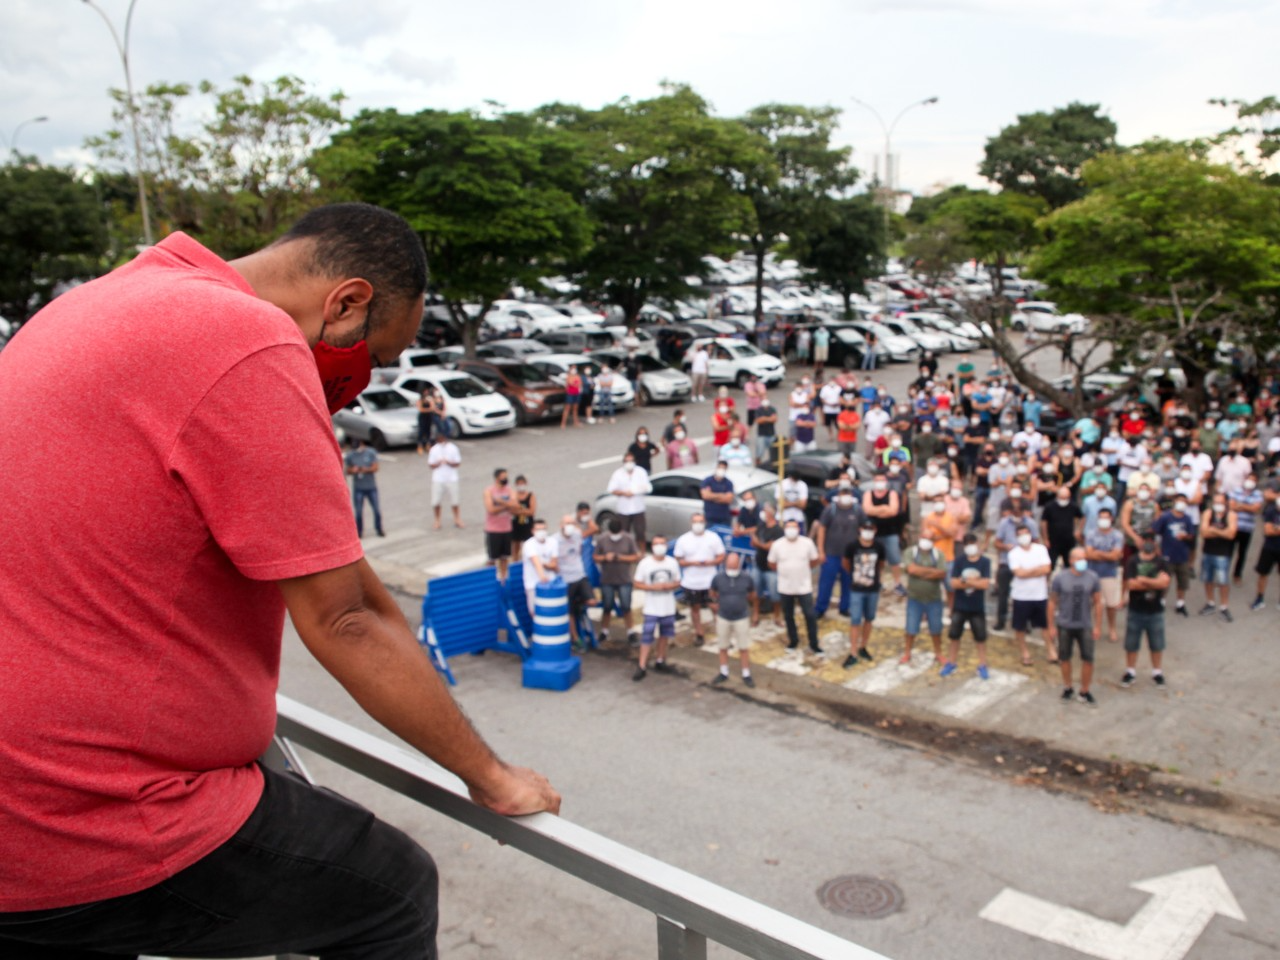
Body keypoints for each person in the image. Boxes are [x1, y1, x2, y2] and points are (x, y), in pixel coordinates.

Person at [0, 203, 558, 959]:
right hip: (81, 816)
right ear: (347, 302)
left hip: (22, 799)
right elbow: (347, 618)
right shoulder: (248, 342)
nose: (360, 383)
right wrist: (490, 775)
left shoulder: (110, 299)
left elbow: (335, 567)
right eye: (372, 356)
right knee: (389, 893)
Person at [1048, 547, 1103, 704]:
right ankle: (1068, 687)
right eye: (1079, 559)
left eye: (1084, 558)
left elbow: (1098, 602)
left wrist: (1098, 626)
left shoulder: (1092, 577)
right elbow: (1052, 602)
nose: (1082, 562)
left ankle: (1085, 690)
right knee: (1064, 658)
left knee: (1088, 658)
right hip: (1065, 625)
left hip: (1085, 624)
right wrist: (1051, 626)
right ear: (1071, 560)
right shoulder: (1060, 578)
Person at [1121, 534, 1172, 688]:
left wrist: (1143, 580)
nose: (1149, 544)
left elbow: (1165, 583)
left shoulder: (1162, 562)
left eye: (1151, 541)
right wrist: (1155, 582)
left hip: (1156, 610)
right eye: (1146, 541)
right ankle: (1130, 671)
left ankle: (1157, 672)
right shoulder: (1133, 561)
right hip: (1136, 609)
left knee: (1157, 644)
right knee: (1131, 643)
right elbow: (1131, 584)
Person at [768, 519, 823, 655]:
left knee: (810, 615)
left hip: (804, 587)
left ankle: (814, 643)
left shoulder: (807, 543)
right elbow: (772, 563)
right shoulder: (777, 545)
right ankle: (793, 641)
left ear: (798, 529)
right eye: (788, 527)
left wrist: (803, 570)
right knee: (788, 616)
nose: (791, 530)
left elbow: (814, 560)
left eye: (794, 527)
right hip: (785, 587)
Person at [632, 536, 682, 680]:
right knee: (647, 636)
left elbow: (678, 582)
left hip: (668, 607)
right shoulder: (645, 563)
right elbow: (637, 583)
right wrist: (651, 587)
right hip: (651, 608)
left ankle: (661, 659)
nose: (659, 546)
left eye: (662, 543)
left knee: (664, 635)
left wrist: (668, 586)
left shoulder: (672, 563)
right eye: (656, 544)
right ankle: (642, 665)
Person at [943, 534, 992, 679]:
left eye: (972, 543)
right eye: (967, 543)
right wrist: (974, 581)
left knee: (980, 637)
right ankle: (951, 662)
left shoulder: (985, 562)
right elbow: (953, 583)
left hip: (977, 607)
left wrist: (965, 581)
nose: (970, 546)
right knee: (954, 636)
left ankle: (982, 664)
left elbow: (985, 584)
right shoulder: (959, 561)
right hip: (960, 605)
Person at [674, 513, 726, 647]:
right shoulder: (683, 540)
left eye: (701, 521)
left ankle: (722, 634)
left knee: (715, 607)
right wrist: (692, 563)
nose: (698, 524)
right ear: (691, 523)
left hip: (710, 581)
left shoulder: (713, 538)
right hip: (691, 582)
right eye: (695, 522)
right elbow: (679, 560)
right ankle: (699, 633)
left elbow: (721, 556)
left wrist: (711, 562)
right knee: (695, 608)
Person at [813, 482, 862, 620]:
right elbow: (821, 529)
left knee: (848, 582)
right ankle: (820, 608)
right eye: (843, 493)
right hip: (831, 553)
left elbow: (863, 528)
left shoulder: (858, 510)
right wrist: (821, 550)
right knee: (826, 582)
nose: (845, 495)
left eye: (848, 493)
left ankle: (845, 607)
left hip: (850, 556)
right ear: (838, 494)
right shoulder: (830, 510)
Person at [1008, 525, 1054, 666]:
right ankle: (1024, 652)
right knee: (1020, 627)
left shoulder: (1040, 549)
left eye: (1026, 533)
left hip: (1039, 595)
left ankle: (1051, 650)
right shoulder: (1014, 553)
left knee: (1044, 625)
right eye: (1020, 534)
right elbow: (1018, 574)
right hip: (1021, 596)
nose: (1024, 536)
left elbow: (1046, 568)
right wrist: (1036, 570)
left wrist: (1027, 571)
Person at [710, 553, 757, 687]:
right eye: (729, 565)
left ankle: (746, 673)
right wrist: (716, 603)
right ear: (725, 564)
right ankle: (723, 671)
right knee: (723, 646)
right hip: (723, 617)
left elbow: (753, 594)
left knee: (743, 647)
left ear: (738, 564)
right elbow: (712, 592)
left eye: (734, 565)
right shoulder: (718, 578)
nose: (732, 568)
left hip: (741, 617)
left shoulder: (747, 578)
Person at [900, 532, 947, 664]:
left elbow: (942, 573)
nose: (926, 541)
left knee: (936, 628)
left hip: (934, 598)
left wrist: (920, 572)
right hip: (914, 598)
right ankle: (907, 652)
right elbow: (911, 570)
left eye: (929, 539)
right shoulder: (911, 552)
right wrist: (931, 571)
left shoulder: (939, 554)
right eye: (924, 538)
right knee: (911, 628)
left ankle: (938, 653)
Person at [841, 520, 884, 666]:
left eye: (870, 528)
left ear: (875, 530)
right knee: (855, 621)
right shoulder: (852, 546)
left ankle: (863, 646)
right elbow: (846, 563)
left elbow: (881, 565)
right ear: (860, 529)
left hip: (873, 589)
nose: (867, 531)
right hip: (857, 589)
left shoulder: (879, 547)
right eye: (865, 528)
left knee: (869, 619)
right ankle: (853, 652)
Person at [595, 518, 642, 642]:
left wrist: (620, 557)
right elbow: (595, 557)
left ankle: (630, 631)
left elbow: (636, 556)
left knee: (626, 607)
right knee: (607, 607)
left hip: (624, 579)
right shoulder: (602, 539)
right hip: (607, 580)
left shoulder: (628, 539)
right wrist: (605, 557)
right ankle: (604, 630)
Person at [1084, 508, 1126, 644]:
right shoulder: (1091, 534)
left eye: (1106, 517)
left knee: (1111, 604)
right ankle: (1095, 627)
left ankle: (1112, 628)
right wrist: (1107, 554)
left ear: (1111, 519)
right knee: (1092, 602)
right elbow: (1088, 554)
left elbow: (1116, 555)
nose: (1103, 520)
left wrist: (1098, 553)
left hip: (1109, 573)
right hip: (1091, 572)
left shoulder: (1117, 535)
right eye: (1101, 517)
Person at [1151, 495, 1196, 616]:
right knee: (1165, 580)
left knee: (1183, 581)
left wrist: (1185, 536)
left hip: (1182, 555)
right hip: (1167, 554)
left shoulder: (1187, 519)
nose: (1181, 503)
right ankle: (1161, 602)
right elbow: (1154, 531)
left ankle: (1180, 603)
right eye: (1179, 501)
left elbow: (1191, 535)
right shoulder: (1166, 517)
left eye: (1184, 502)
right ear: (1174, 502)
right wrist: (1156, 549)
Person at [553, 514, 593, 648]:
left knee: (592, 600)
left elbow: (593, 530)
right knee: (568, 611)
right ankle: (575, 638)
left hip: (580, 575)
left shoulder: (577, 534)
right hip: (566, 579)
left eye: (572, 523)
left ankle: (579, 606)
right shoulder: (554, 541)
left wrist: (585, 519)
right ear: (561, 525)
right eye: (567, 523)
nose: (570, 526)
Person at [862, 470, 905, 595]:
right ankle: (878, 582)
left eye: (882, 481)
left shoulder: (892, 493)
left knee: (895, 559)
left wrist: (876, 510)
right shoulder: (868, 494)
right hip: (874, 533)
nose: (880, 483)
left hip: (890, 532)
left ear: (886, 482)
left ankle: (897, 583)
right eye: (877, 481)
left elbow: (893, 511)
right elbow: (867, 510)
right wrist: (884, 509)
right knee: (876, 559)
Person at [1198, 493, 1238, 621]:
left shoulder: (1231, 515)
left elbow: (1231, 534)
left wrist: (1213, 530)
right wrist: (1222, 532)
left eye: (1220, 502)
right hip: (1208, 551)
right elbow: (1204, 532)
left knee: (1223, 581)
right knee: (1207, 578)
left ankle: (1224, 606)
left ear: (1225, 503)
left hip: (1223, 553)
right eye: (1215, 502)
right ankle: (1210, 602)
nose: (1217, 505)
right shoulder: (1208, 513)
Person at [751, 502, 785, 627]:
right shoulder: (761, 526)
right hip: (758, 565)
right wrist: (760, 543)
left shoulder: (778, 531)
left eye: (765, 510)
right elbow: (754, 539)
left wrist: (759, 543)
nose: (763, 512)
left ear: (771, 512)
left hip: (772, 569)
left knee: (775, 595)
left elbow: (769, 547)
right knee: (756, 593)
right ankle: (755, 614)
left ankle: (777, 616)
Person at [606, 454, 652, 546]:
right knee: (623, 533)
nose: (629, 463)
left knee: (640, 533)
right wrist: (623, 493)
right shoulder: (618, 474)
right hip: (624, 509)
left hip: (638, 508)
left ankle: (641, 554)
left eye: (631, 461)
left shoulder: (640, 472)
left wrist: (634, 492)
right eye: (627, 461)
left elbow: (648, 487)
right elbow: (611, 489)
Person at [344, 436, 385, 538]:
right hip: (358, 487)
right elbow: (347, 470)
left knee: (376, 509)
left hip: (371, 486)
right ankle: (359, 532)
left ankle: (379, 528)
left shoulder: (370, 452)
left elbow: (375, 467)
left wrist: (364, 469)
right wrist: (353, 470)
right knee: (358, 511)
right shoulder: (351, 456)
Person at [483, 467, 516, 581]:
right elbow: (491, 510)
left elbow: (515, 505)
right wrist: (507, 505)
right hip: (493, 529)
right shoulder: (489, 491)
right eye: (503, 477)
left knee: (505, 557)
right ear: (497, 478)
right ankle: (489, 579)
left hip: (506, 528)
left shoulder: (509, 490)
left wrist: (500, 502)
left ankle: (504, 579)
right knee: (492, 558)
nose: (505, 479)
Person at [1040, 485, 1083, 571]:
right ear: (1057, 496)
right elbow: (1044, 522)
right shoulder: (1049, 506)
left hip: (1068, 540)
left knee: (1069, 565)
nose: (1064, 500)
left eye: (1066, 498)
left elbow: (1081, 517)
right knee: (1050, 564)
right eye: (1062, 497)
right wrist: (1045, 538)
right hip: (1053, 541)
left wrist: (1078, 530)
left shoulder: (1073, 506)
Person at [522, 518, 559, 616]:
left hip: (551, 583)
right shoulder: (528, 544)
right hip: (533, 585)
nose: (541, 532)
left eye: (543, 529)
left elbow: (554, 564)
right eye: (538, 529)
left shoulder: (552, 542)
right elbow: (536, 563)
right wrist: (542, 576)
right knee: (536, 613)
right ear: (533, 531)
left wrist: (544, 564)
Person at [428, 430, 463, 530]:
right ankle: (437, 520)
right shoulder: (434, 449)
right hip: (438, 479)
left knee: (455, 500)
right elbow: (431, 464)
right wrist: (438, 463)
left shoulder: (453, 448)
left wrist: (448, 462)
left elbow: (457, 463)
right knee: (436, 501)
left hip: (452, 478)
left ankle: (457, 519)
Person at [1250, 493, 1280, 610]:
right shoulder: (1271, 511)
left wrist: (1276, 528)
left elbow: (1272, 529)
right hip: (1269, 548)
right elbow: (1268, 530)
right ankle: (1259, 598)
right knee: (1263, 574)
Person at [700, 460, 736, 529]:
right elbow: (705, 495)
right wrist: (722, 495)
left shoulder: (728, 483)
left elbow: (728, 499)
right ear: (716, 467)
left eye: (723, 468)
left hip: (724, 519)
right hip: (710, 518)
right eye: (720, 468)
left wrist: (712, 496)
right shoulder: (708, 481)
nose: (721, 470)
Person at [510, 474, 536, 561]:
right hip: (516, 524)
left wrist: (519, 510)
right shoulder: (514, 496)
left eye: (522, 483)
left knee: (528, 543)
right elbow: (512, 510)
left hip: (528, 524)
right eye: (519, 484)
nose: (521, 486)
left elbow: (532, 511)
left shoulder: (530, 495)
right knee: (515, 544)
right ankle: (515, 560)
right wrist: (525, 510)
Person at [754, 398, 779, 465]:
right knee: (759, 452)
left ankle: (772, 464)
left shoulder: (772, 409)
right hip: (761, 434)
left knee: (773, 451)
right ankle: (757, 464)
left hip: (771, 434)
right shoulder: (759, 410)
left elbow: (775, 419)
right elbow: (758, 421)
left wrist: (764, 418)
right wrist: (769, 419)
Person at [416, 383, 439, 454]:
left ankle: (428, 445)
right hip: (422, 416)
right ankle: (420, 446)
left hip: (428, 416)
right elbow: (421, 409)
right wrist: (429, 409)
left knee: (428, 431)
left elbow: (433, 406)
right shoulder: (420, 399)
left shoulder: (429, 398)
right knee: (421, 431)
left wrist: (429, 408)